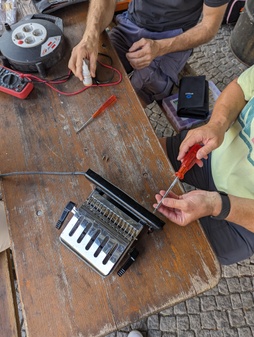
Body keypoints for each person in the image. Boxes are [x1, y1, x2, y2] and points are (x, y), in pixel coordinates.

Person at [154, 65, 254, 265]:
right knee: (141, 155)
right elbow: (241, 88)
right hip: (211, 153)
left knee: (165, 256)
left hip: (243, 218)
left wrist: (216, 204)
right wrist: (216, 125)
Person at [68, 0, 229, 105]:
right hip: (132, 23)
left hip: (174, 37)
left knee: (133, 98)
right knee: (95, 71)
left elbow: (209, 27)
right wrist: (89, 37)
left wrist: (160, 47)